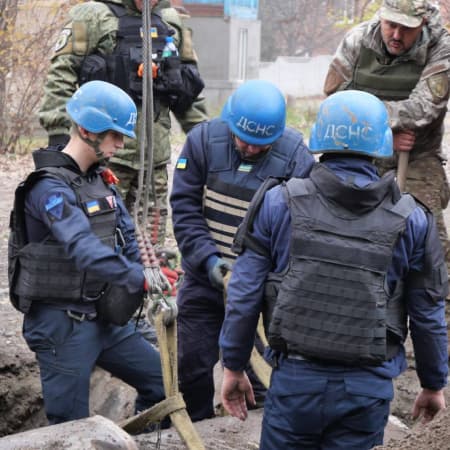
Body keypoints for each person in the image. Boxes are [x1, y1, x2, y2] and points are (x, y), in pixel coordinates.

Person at [220, 90, 448, 450]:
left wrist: (233, 366)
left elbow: (244, 293)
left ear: (319, 136)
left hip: (296, 381)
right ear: (381, 144)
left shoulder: (278, 202)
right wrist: (434, 383)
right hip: (367, 389)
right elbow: (428, 311)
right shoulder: (413, 220)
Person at [8, 80, 166, 425]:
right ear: (85, 129)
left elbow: (127, 235)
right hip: (62, 326)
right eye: (114, 135)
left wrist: (154, 269)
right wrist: (137, 277)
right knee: (72, 426)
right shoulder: (47, 188)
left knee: (162, 384)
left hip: (104, 318)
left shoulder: (100, 180)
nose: (121, 145)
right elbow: (82, 247)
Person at [170, 79, 315, 422]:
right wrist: (209, 262)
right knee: (191, 365)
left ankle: (257, 432)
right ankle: (198, 427)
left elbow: (297, 232)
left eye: (260, 146)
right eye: (243, 141)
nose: (249, 150)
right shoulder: (203, 141)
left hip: (261, 290)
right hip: (204, 278)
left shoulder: (297, 158)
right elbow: (185, 210)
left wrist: (258, 278)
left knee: (261, 373)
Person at [38, 0, 208, 246]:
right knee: (101, 243)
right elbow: (60, 76)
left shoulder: (171, 21)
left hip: (153, 166)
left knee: (150, 252)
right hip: (102, 161)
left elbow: (187, 90)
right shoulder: (92, 16)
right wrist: (59, 137)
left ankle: (147, 283)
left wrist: (204, 138)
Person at [323, 0, 450, 288]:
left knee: (431, 245)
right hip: (360, 151)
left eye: (406, 29)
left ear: (422, 24)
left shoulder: (441, 47)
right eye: (391, 24)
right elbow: (334, 98)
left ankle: (439, 317)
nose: (396, 34)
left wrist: (365, 116)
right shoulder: (358, 39)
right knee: (334, 225)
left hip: (416, 155)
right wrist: (380, 135)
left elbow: (424, 108)